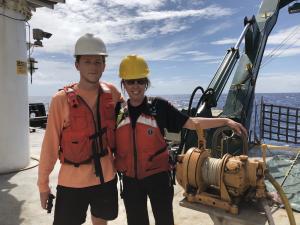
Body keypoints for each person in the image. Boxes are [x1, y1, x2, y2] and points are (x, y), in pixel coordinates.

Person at [114, 55, 248, 225]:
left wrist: (225, 121)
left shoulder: (159, 107)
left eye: (140, 81)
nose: (135, 86)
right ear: (123, 84)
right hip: (130, 181)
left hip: (158, 178)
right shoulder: (118, 112)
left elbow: (192, 123)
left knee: (164, 221)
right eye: (130, 81)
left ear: (146, 83)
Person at [37, 33, 122, 225]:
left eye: (98, 61)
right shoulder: (60, 100)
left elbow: (129, 116)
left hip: (106, 179)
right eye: (87, 61)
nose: (93, 66)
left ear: (104, 65)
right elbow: (49, 145)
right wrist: (43, 185)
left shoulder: (112, 93)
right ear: (77, 65)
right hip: (71, 183)